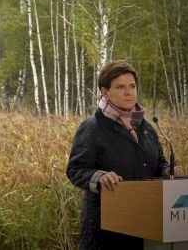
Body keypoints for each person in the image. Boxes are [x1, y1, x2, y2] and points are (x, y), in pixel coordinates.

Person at [66, 60, 169, 250]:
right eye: (120, 87)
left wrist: (168, 170)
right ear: (105, 92)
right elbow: (75, 170)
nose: (129, 92)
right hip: (106, 231)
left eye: (132, 86)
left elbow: (158, 163)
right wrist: (100, 176)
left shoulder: (146, 127)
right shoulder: (93, 127)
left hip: (145, 223)